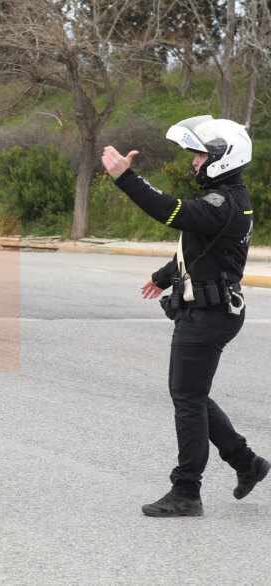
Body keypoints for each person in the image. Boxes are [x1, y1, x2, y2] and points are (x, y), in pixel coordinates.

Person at [101, 115, 269, 517]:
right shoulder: (227, 198)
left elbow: (172, 212)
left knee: (188, 399)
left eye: (199, 155)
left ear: (222, 158)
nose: (194, 162)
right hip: (210, 309)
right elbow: (199, 249)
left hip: (208, 315)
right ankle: (247, 464)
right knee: (191, 394)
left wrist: (127, 178)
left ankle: (186, 492)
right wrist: (163, 276)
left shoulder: (223, 203)